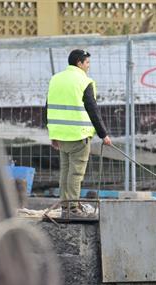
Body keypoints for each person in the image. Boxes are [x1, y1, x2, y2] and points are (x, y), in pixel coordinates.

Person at [46, 49, 112, 217]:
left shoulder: (55, 79)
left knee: (65, 172)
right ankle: (72, 209)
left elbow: (47, 107)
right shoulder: (85, 81)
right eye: (87, 62)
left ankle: (65, 207)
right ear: (79, 63)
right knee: (75, 173)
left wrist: (53, 133)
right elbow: (92, 109)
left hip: (61, 135)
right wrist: (103, 134)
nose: (88, 66)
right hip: (78, 135)